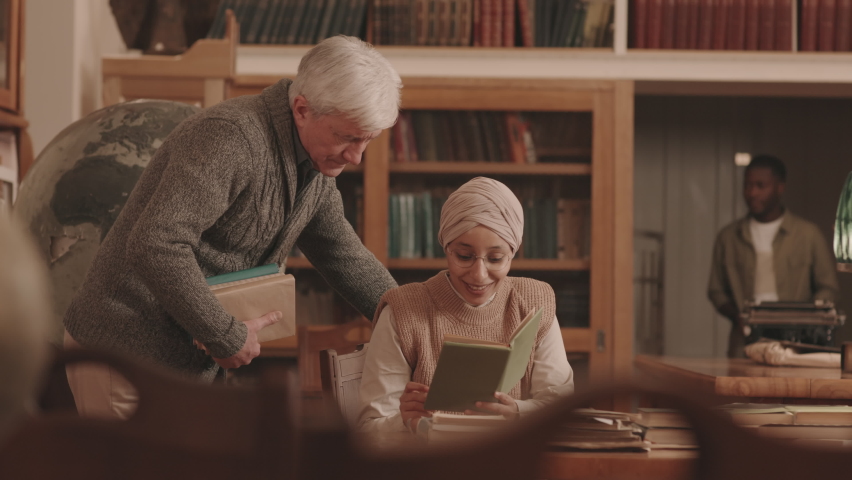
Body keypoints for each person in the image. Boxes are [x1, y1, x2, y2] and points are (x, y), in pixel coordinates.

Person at [62, 36, 401, 419]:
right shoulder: (231, 137)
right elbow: (156, 244)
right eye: (348, 138)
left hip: (183, 365)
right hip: (124, 355)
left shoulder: (314, 166)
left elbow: (344, 255)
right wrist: (223, 333)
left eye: (367, 141)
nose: (356, 157)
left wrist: (413, 321)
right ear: (303, 109)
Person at [357, 177, 574, 434]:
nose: (479, 275)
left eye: (495, 258)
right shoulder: (403, 311)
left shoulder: (534, 301)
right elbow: (369, 433)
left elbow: (559, 407)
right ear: (446, 247)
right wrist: (408, 423)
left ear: (512, 253)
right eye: (464, 256)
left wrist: (516, 412)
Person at [707, 155, 839, 358]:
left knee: (790, 388)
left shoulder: (807, 234)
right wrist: (738, 316)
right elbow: (716, 290)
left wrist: (803, 318)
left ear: (780, 187)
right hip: (745, 337)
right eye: (747, 185)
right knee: (740, 386)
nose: (752, 193)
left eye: (760, 186)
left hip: (796, 341)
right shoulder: (728, 237)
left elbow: (827, 286)